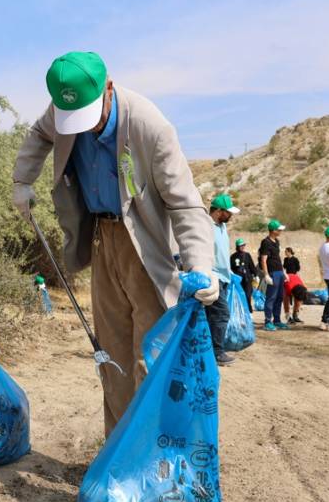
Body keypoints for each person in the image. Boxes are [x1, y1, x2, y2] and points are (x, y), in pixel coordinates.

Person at [12, 51, 216, 436]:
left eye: (93, 115)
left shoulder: (150, 127)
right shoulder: (62, 111)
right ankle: (117, 452)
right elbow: (40, 134)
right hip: (101, 237)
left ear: (108, 87)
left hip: (144, 243)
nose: (86, 129)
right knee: (113, 354)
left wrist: (201, 263)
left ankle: (149, 456)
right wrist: (22, 180)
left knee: (149, 356)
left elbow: (185, 202)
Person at [206, 193, 240, 366]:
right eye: (228, 212)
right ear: (219, 211)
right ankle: (217, 352)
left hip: (224, 278)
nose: (231, 215)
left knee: (211, 315)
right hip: (212, 277)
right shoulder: (206, 225)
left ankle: (209, 350)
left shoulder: (222, 227)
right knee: (221, 314)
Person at [259, 220, 289, 331]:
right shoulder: (266, 242)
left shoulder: (276, 241)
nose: (281, 231)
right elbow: (264, 259)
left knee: (279, 297)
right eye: (279, 229)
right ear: (273, 230)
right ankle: (268, 321)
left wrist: (284, 272)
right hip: (272, 273)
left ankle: (277, 320)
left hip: (279, 272)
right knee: (271, 297)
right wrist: (266, 275)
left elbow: (277, 257)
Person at [231, 238, 257, 312]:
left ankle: (249, 309)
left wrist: (256, 275)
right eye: (241, 245)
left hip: (247, 279)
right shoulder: (233, 257)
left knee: (248, 295)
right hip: (238, 280)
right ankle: (240, 310)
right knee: (239, 295)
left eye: (243, 245)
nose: (242, 247)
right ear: (237, 247)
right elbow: (231, 268)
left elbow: (252, 266)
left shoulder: (247, 255)